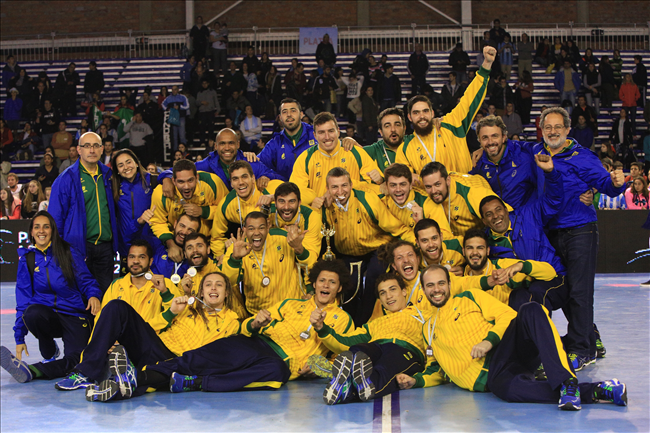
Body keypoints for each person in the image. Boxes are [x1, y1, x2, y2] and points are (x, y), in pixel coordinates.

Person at [396, 265, 628, 411]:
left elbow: (507, 315)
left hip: (504, 350)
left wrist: (489, 341)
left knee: (530, 310)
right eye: (430, 285)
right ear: (424, 291)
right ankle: (598, 391)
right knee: (511, 391)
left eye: (440, 283)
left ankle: (567, 382)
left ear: (449, 284)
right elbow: (436, 368)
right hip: (493, 379)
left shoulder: (469, 297)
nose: (436, 289)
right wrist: (416, 381)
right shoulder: (427, 328)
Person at [132, 259, 352, 396]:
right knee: (196, 360)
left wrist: (319, 368)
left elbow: (340, 357)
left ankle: (197, 383)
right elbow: (252, 323)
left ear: (339, 287)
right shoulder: (291, 304)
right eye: (322, 280)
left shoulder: (343, 319)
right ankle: (141, 380)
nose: (325, 285)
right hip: (256, 343)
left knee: (277, 375)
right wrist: (256, 323)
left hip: (281, 362)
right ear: (313, 283)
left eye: (332, 282)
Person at [534, 107, 625, 370]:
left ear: (567, 130)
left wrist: (616, 184)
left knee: (580, 292)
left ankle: (581, 350)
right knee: (563, 290)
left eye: (558, 127)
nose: (553, 131)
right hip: (549, 232)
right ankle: (590, 337)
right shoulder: (534, 153)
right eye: (548, 127)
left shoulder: (583, 156)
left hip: (580, 229)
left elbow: (606, 184)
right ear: (541, 129)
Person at [52, 239, 185, 391]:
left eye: (141, 257)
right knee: (112, 311)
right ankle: (86, 373)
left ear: (151, 260)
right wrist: (107, 343)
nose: (135, 261)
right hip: (122, 349)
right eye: (131, 257)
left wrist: (165, 293)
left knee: (117, 307)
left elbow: (176, 320)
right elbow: (101, 323)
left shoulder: (165, 284)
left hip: (151, 347)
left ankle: (106, 375)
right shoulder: (116, 286)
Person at [0, 211, 101, 383]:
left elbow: (86, 280)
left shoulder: (68, 253)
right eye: (37, 227)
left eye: (46, 227)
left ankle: (32, 371)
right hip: (48, 317)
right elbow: (23, 300)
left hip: (74, 315)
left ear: (53, 230)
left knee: (78, 362)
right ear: (31, 232)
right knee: (31, 313)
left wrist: (93, 295)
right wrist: (19, 337)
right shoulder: (28, 260)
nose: (42, 231)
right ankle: (49, 350)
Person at [320, 167, 415, 324]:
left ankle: (367, 323)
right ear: (327, 189)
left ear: (351, 185)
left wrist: (417, 245)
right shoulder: (325, 208)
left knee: (374, 277)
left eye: (344, 185)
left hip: (376, 248)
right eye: (334, 187)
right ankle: (349, 325)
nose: (340, 191)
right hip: (347, 253)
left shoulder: (368, 200)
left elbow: (397, 228)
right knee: (348, 284)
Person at [396, 45, 496, 177]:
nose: (422, 116)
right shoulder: (405, 147)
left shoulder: (451, 124)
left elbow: (470, 99)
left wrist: (486, 66)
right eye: (416, 113)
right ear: (409, 117)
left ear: (432, 113)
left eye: (425, 111)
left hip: (463, 192)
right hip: (430, 195)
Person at [49, 132, 119, 293]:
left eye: (95, 146)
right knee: (80, 297)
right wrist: (59, 250)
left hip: (105, 249)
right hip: (78, 249)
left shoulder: (109, 176)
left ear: (102, 150)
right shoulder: (65, 179)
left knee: (105, 298)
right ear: (79, 150)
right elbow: (55, 219)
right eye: (87, 146)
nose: (92, 150)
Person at [222, 211, 314, 316]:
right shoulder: (236, 248)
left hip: (292, 308)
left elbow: (309, 264)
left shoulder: (284, 237)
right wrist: (235, 258)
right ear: (245, 230)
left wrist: (299, 248)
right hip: (259, 314)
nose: (257, 233)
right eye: (251, 229)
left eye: (261, 228)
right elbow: (228, 282)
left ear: (268, 226)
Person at [290, 112, 384, 206]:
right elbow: (294, 193)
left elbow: (374, 186)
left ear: (338, 132)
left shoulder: (355, 152)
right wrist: (311, 202)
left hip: (353, 215)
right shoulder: (305, 158)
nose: (327, 137)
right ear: (315, 135)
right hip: (321, 215)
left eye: (331, 131)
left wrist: (379, 180)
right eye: (321, 132)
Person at [149, 159, 228, 262]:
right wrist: (171, 244)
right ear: (173, 181)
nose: (186, 187)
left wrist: (204, 211)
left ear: (197, 178)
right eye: (181, 182)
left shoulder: (212, 183)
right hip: (175, 243)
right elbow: (157, 222)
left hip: (209, 243)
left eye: (190, 180)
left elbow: (227, 209)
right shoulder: (161, 193)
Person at [159, 128, 281, 194]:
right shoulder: (208, 163)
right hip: (217, 215)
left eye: (231, 143)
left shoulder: (250, 162)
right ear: (216, 146)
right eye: (222, 144)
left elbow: (278, 177)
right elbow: (177, 170)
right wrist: (166, 178)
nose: (227, 148)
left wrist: (266, 177)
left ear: (238, 144)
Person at [209, 161, 278, 257]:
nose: (241, 182)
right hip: (249, 250)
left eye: (244, 177)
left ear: (253, 178)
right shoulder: (226, 205)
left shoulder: (270, 189)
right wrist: (220, 256)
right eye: (235, 179)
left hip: (276, 246)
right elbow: (216, 238)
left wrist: (275, 197)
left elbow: (296, 197)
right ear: (232, 184)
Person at [418, 161, 502, 238]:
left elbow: (506, 215)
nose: (433, 191)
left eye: (437, 184)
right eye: (428, 186)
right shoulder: (432, 180)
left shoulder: (472, 192)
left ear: (448, 180)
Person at [110, 149, 158, 266]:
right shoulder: (113, 187)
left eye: (128, 162)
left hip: (151, 244)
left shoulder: (151, 180)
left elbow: (171, 174)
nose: (126, 167)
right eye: (121, 165)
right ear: (117, 171)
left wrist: (166, 177)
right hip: (126, 246)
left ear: (136, 163)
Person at [364, 108, 406, 172]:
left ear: (404, 128)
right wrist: (349, 140)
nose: (393, 129)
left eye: (397, 125)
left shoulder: (412, 144)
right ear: (381, 132)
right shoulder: (373, 151)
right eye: (387, 126)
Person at [162, 85, 190, 151]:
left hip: (181, 117)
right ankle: (175, 153)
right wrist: (167, 109)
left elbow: (187, 106)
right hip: (173, 118)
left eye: (175, 89)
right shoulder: (169, 98)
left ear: (178, 90)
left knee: (182, 135)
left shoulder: (183, 97)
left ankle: (184, 152)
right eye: (172, 89)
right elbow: (163, 104)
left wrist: (180, 107)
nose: (174, 91)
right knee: (174, 137)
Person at [196, 79, 220, 147]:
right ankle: (202, 141)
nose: (204, 85)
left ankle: (211, 141)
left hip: (210, 111)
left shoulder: (212, 92)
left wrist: (218, 110)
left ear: (208, 83)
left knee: (211, 128)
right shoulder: (199, 93)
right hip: (202, 112)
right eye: (203, 83)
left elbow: (216, 101)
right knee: (202, 128)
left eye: (205, 83)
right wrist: (201, 102)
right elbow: (196, 103)